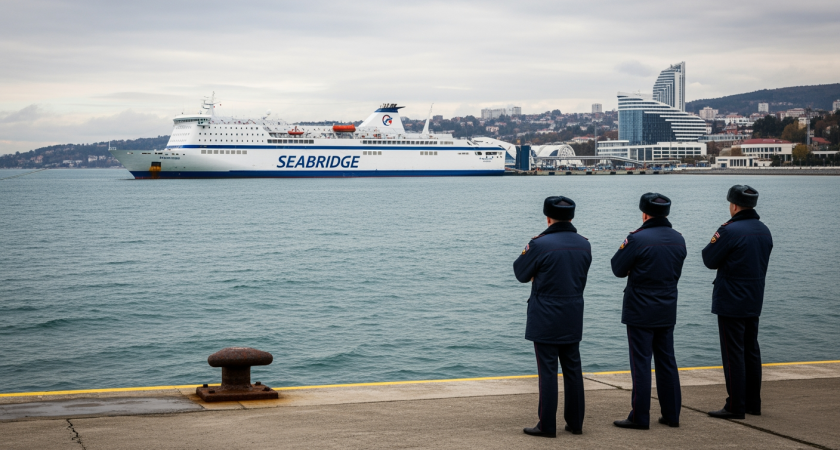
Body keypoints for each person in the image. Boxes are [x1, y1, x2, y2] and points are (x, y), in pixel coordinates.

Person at [513, 196, 591, 438]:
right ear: (572, 217)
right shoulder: (584, 244)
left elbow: (520, 272)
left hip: (545, 315)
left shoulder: (540, 244)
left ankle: (547, 425)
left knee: (548, 371)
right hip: (573, 313)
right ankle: (575, 423)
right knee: (573, 368)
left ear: (548, 218)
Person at [610, 193, 686, 430]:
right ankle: (672, 414)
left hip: (640, 310)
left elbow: (617, 268)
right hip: (666, 307)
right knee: (667, 361)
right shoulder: (678, 239)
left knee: (641, 363)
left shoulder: (637, 239)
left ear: (644, 213)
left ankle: (640, 417)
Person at [702, 185, 773, 420]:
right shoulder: (764, 230)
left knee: (733, 353)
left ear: (733, 206)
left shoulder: (729, 231)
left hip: (731, 299)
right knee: (751, 350)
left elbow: (709, 259)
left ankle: (735, 405)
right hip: (754, 298)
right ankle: (754, 403)